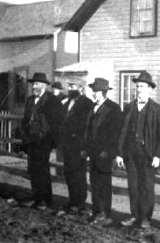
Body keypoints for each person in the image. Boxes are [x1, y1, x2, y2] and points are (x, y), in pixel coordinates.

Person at [116, 72, 160, 229]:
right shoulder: (129, 107)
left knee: (147, 187)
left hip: (148, 155)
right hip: (131, 154)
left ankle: (145, 218)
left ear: (149, 89)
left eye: (143, 86)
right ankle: (134, 215)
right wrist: (119, 153)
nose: (139, 89)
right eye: (137, 86)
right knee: (133, 186)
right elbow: (122, 131)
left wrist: (158, 155)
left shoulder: (157, 109)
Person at [20, 72, 64, 210]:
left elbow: (56, 123)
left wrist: (50, 140)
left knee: (42, 170)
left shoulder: (52, 100)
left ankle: (45, 199)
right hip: (31, 140)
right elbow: (26, 119)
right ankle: (36, 197)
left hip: (44, 141)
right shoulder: (30, 100)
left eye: (37, 84)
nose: (34, 86)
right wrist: (25, 135)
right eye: (33, 84)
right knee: (32, 169)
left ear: (44, 85)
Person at [83, 78, 122, 225]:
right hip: (93, 152)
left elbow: (115, 133)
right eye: (93, 91)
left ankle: (105, 213)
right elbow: (88, 130)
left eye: (97, 92)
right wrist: (86, 149)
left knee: (104, 183)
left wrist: (108, 151)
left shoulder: (113, 109)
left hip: (104, 153)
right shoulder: (93, 107)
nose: (94, 94)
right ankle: (96, 210)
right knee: (94, 181)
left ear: (104, 92)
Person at [56, 79, 93, 217]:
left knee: (79, 175)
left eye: (73, 86)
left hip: (78, 146)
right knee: (69, 174)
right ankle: (72, 201)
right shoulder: (67, 102)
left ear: (81, 89)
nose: (70, 88)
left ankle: (80, 204)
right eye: (69, 86)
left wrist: (84, 147)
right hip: (67, 145)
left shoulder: (87, 104)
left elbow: (86, 127)